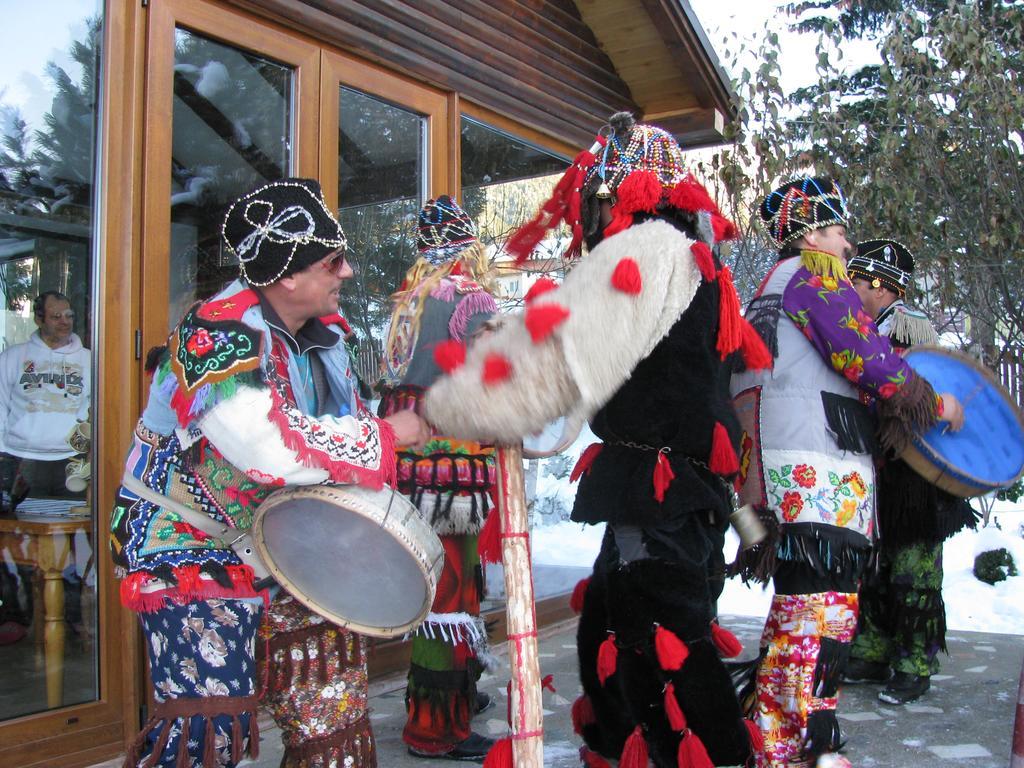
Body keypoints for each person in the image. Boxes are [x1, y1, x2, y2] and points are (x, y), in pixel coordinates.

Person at [425, 112, 766, 767]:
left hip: (660, 492)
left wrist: (458, 403)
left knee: (660, 648)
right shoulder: (689, 257)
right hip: (670, 487)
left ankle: (711, 758)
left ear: (620, 193)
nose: (587, 211)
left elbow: (553, 357)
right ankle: (624, 751)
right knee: (607, 634)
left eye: (596, 197)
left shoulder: (646, 252)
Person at [109, 178, 429, 768]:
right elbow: (267, 450)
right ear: (288, 275)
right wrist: (384, 436)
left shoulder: (327, 337)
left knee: (333, 721)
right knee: (209, 736)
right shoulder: (214, 334)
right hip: (194, 547)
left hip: (293, 538)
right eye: (336, 261)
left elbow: (341, 431)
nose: (348, 273)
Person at [730, 179, 964, 768]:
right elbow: (870, 359)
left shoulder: (764, 290)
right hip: (813, 478)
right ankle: (789, 750)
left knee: (798, 615)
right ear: (809, 234)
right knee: (817, 618)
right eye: (838, 230)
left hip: (770, 480)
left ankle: (779, 737)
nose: (845, 242)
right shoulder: (812, 280)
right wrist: (935, 404)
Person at [378, 195, 499, 761]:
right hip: (452, 463)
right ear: (466, 247)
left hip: (409, 460)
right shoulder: (468, 298)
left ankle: (450, 699)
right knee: (451, 589)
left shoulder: (405, 300)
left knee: (439, 584)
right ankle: (434, 726)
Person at [844, 238, 977, 704]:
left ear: (883, 287)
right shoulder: (864, 326)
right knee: (877, 568)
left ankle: (913, 662)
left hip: (914, 477)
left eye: (858, 281)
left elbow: (904, 396)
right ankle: (874, 650)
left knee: (912, 574)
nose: (851, 287)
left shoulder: (907, 332)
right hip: (882, 468)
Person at [0, 290, 90, 509]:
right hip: (21, 458)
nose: (64, 322)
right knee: (23, 526)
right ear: (39, 319)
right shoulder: (13, 357)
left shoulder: (90, 359)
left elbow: (97, 409)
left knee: (72, 525)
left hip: (72, 460)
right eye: (56, 316)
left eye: (68, 316)